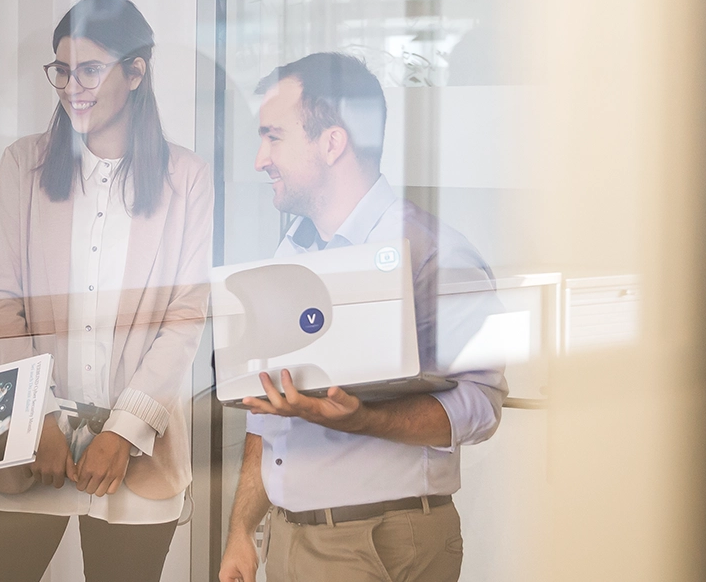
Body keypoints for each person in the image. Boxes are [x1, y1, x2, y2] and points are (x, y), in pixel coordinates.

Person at [0, 0, 213, 582]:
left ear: (136, 71)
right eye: (63, 70)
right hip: (26, 447)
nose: (73, 86)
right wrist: (36, 418)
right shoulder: (23, 164)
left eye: (91, 69)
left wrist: (123, 431)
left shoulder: (186, 177)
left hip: (136, 454)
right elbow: (0, 304)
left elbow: (185, 317)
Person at [217, 53, 507, 582]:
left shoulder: (433, 254)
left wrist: (365, 420)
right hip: (286, 537)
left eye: (273, 137)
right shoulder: (291, 251)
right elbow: (267, 409)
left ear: (332, 142)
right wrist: (243, 527)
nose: (260, 159)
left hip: (376, 543)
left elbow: (482, 404)